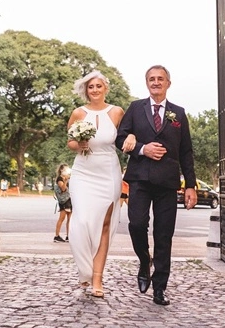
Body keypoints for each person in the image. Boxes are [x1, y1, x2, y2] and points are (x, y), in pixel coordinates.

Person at [116, 65, 196, 306]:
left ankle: (160, 287)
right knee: (137, 224)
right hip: (139, 178)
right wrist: (142, 148)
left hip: (167, 183)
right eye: (152, 79)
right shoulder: (135, 108)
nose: (156, 82)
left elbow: (186, 152)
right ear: (147, 83)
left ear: (168, 83)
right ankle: (143, 260)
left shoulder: (178, 114)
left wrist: (190, 185)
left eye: (160, 79)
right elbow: (120, 138)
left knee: (164, 235)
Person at [65, 70, 124, 298]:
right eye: (91, 87)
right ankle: (84, 270)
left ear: (105, 88)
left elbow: (126, 135)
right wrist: (78, 144)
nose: (95, 90)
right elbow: (69, 141)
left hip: (108, 172)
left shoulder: (117, 112)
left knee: (104, 226)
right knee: (80, 222)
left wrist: (130, 138)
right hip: (83, 173)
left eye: (99, 86)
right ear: (86, 90)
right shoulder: (78, 113)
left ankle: (97, 278)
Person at [53, 164, 72, 242]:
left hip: (69, 200)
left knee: (70, 219)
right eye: (65, 169)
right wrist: (66, 180)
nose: (66, 170)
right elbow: (63, 189)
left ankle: (69, 236)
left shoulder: (68, 177)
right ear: (61, 170)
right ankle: (57, 236)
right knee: (62, 218)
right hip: (64, 201)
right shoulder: (60, 179)